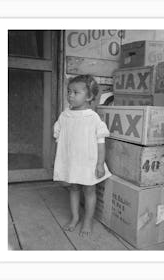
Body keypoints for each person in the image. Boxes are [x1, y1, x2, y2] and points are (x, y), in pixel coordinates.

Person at [53, 74, 112, 238]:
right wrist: (61, 161)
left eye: (75, 92)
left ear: (89, 96)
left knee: (89, 190)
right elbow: (59, 139)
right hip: (72, 162)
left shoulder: (93, 118)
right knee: (73, 188)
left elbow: (101, 142)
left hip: (88, 162)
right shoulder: (64, 116)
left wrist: (100, 164)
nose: (70, 95)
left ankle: (88, 220)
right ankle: (75, 217)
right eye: (68, 91)